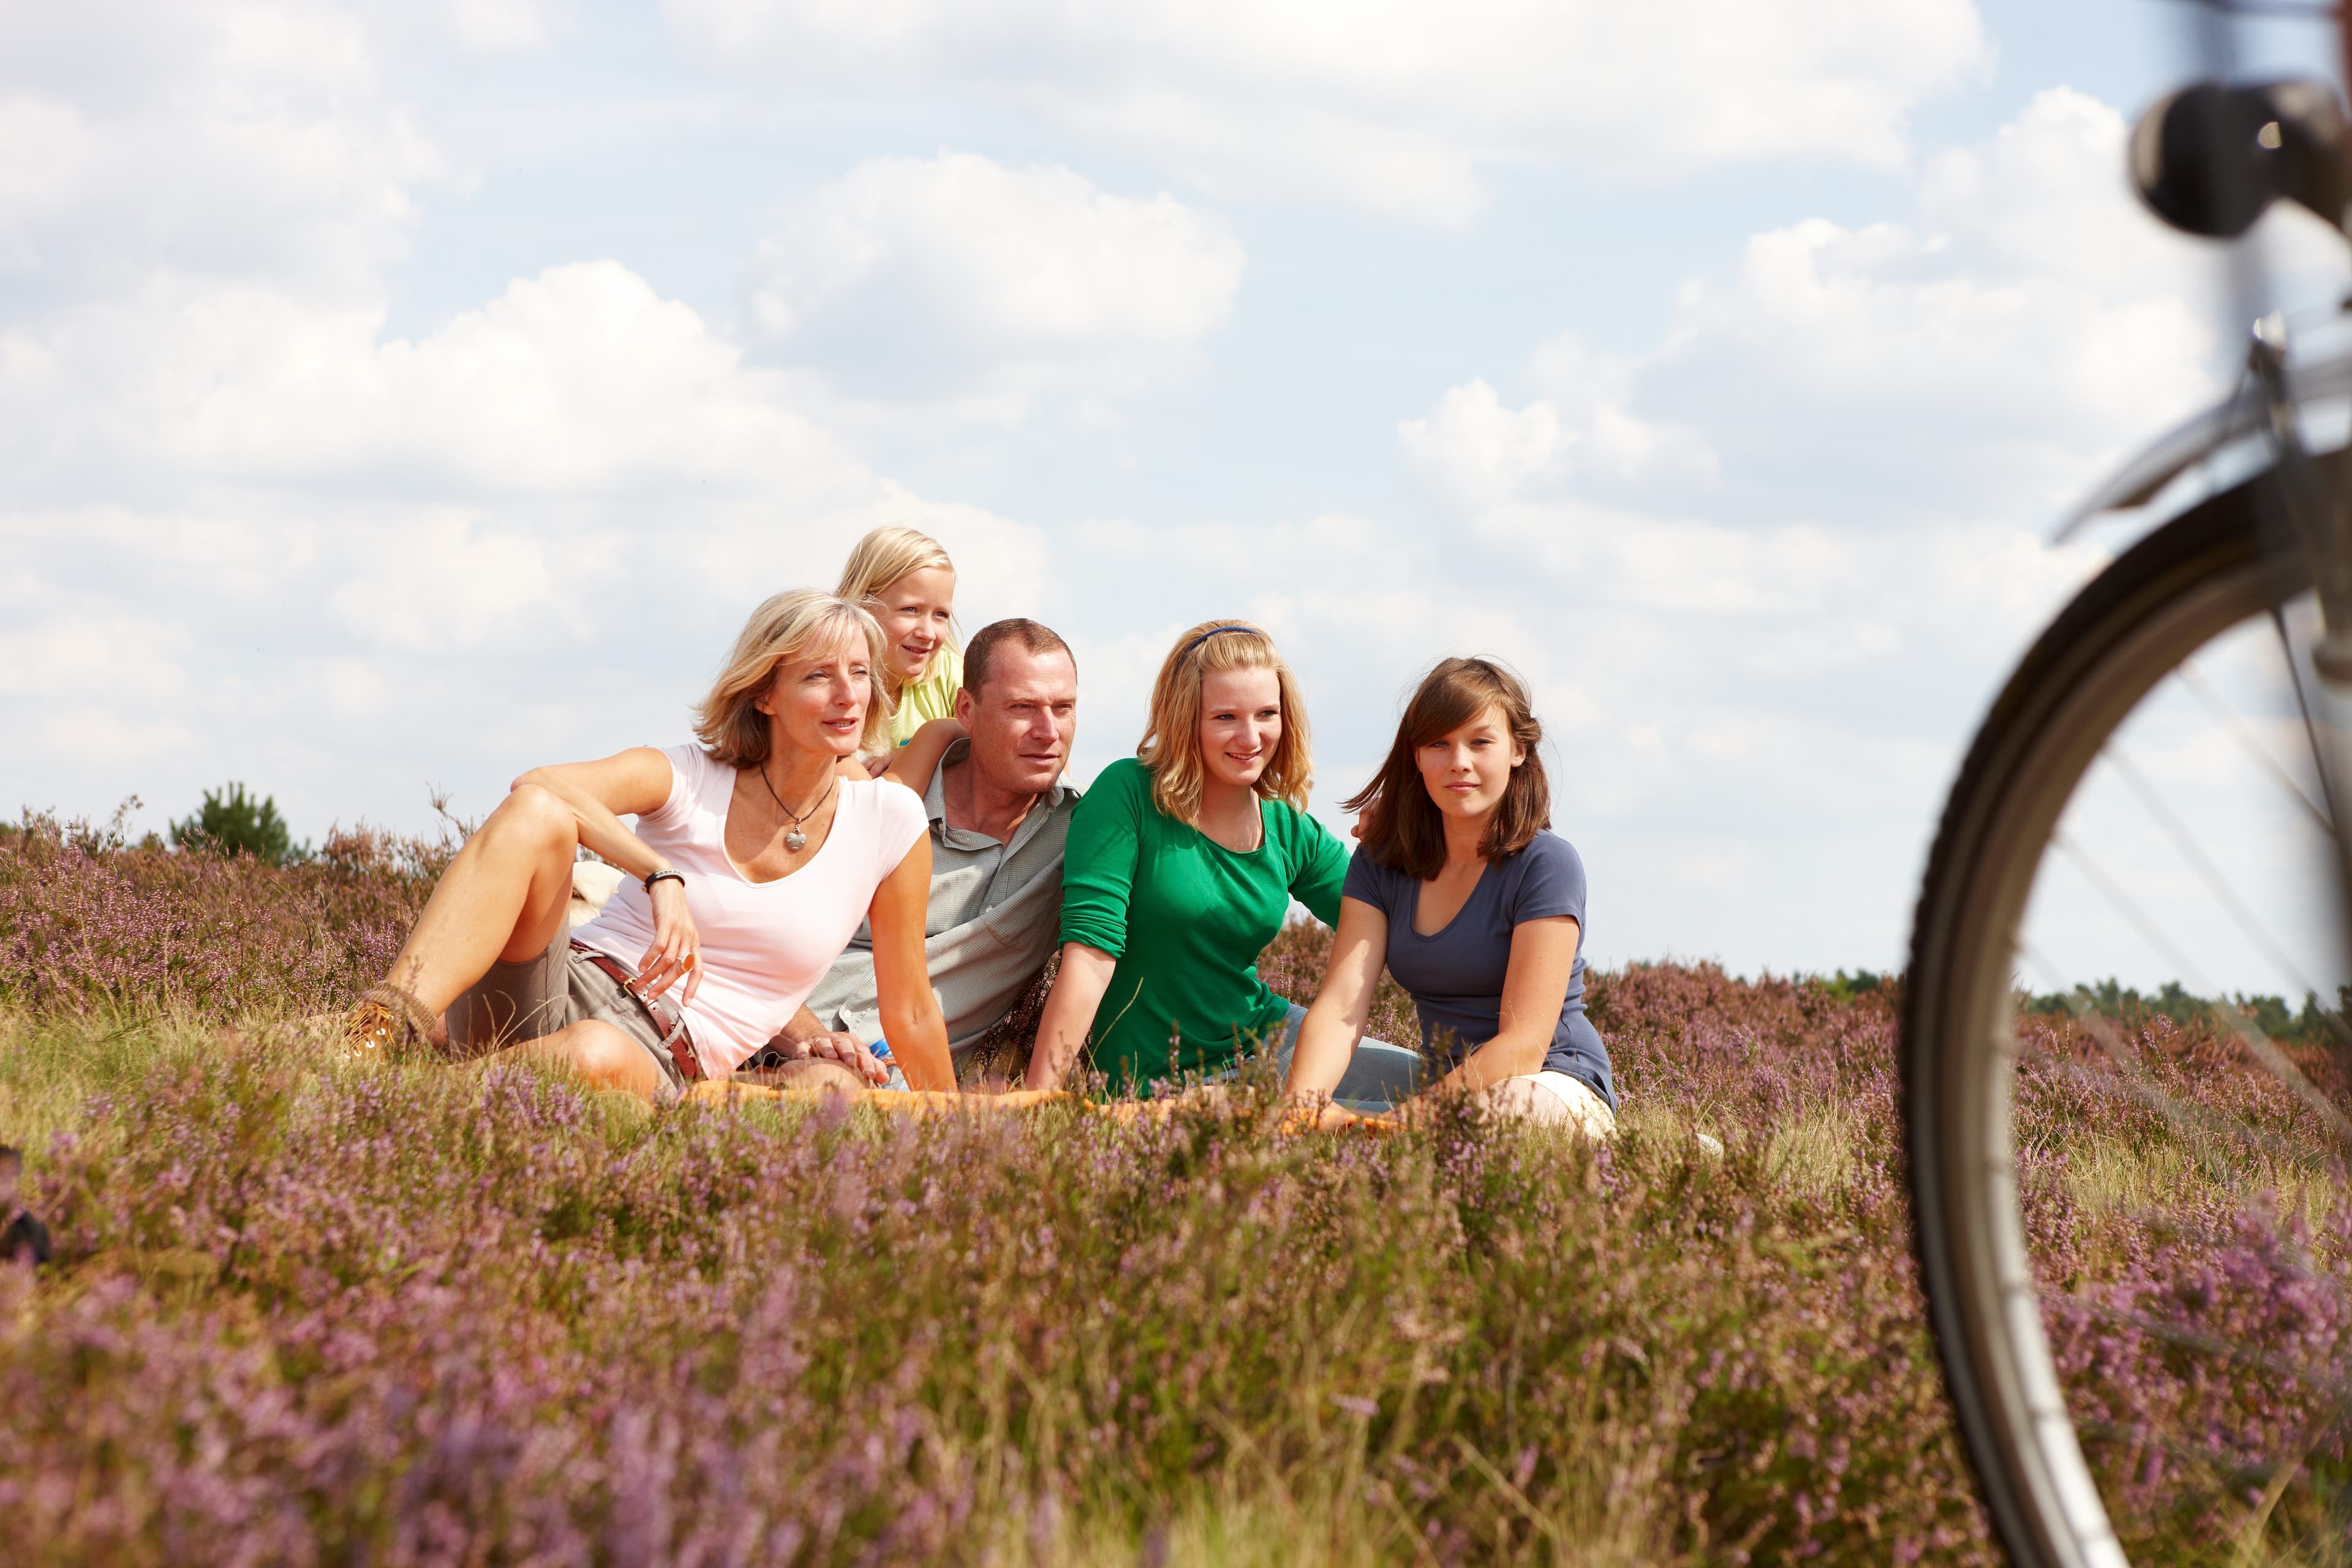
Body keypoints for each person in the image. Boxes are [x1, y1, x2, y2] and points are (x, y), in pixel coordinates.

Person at [350, 589, 955, 1102]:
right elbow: (537, 786)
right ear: (765, 694)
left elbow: (912, 1010)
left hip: (663, 1055)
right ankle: (373, 1034)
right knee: (538, 814)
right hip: (560, 986)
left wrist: (954, 1129)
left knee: (594, 1051)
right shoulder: (691, 774)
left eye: (859, 673)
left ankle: (416, 1101)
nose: (849, 695)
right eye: (819, 675)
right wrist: (659, 875)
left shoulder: (889, 820)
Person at [1025, 620, 1425, 1104]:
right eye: (1225, 717)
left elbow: (1405, 922)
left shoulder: (1286, 826)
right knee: (1365, 1125)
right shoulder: (1127, 793)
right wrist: (1038, 1099)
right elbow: (1089, 956)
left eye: (1266, 714)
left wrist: (1411, 826)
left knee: (1445, 1097)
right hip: (1167, 1081)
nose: (1251, 736)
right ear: (1186, 718)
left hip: (1272, 1040)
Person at [1284, 658, 1618, 1137]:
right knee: (1277, 1088)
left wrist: (1405, 1124)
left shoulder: (1547, 864)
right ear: (1416, 756)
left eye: (1480, 742)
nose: (1459, 761)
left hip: (1550, 1082)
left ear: (1518, 750)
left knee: (1480, 1122)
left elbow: (1523, 1044)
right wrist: (1298, 1113)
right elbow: (1340, 1009)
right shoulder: (1381, 862)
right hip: (1443, 1082)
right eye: (1439, 743)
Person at [782, 619, 1082, 1086]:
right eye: (1023, 708)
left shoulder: (1082, 835)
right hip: (770, 1028)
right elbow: (746, 935)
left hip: (901, 1082)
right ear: (967, 708)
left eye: (1063, 709)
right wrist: (810, 1035)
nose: (1048, 731)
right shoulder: (880, 798)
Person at [836, 526, 961, 755]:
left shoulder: (947, 673)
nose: (928, 633)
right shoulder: (836, 690)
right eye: (911, 610)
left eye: (940, 615)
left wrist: (912, 751)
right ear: (862, 604)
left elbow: (993, 734)